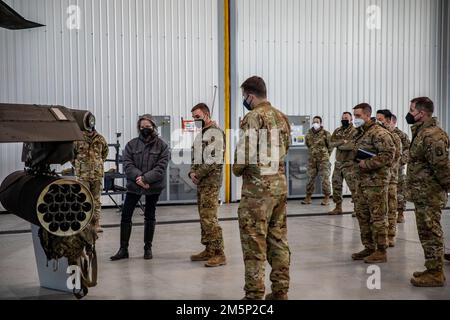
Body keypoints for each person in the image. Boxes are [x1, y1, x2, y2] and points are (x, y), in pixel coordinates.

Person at [233, 76, 291, 300]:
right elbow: (285, 148)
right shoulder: (281, 116)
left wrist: (236, 169)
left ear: (250, 95)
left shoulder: (253, 116)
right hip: (279, 185)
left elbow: (244, 154)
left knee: (254, 242)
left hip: (258, 192)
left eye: (244, 97)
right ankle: (280, 291)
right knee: (278, 239)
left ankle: (254, 295)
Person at [110, 114, 170, 261]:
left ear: (153, 127)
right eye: (142, 127)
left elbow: (160, 168)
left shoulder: (162, 146)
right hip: (134, 186)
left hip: (152, 186)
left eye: (148, 127)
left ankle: (147, 248)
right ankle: (123, 249)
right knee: (126, 215)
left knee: (150, 215)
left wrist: (145, 179)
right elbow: (128, 165)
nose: (145, 129)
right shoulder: (131, 145)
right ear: (139, 128)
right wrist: (139, 178)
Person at [406, 97, 449, 287]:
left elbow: (442, 167)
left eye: (411, 110)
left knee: (431, 232)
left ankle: (436, 273)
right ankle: (432, 267)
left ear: (421, 113)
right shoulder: (421, 133)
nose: (409, 113)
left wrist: (447, 188)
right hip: (422, 194)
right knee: (425, 232)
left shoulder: (433, 135)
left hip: (430, 194)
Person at [351, 103, 395, 263]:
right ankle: (369, 247)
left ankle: (381, 250)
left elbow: (389, 154)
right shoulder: (361, 133)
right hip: (362, 182)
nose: (355, 119)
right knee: (363, 215)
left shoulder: (379, 133)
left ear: (367, 116)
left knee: (378, 216)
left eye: (358, 116)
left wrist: (368, 164)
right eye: (354, 115)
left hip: (376, 182)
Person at [188, 103, 226, 268]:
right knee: (203, 216)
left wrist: (198, 174)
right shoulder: (201, 134)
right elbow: (195, 157)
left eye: (197, 117)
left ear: (206, 114)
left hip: (211, 182)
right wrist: (191, 172)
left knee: (210, 218)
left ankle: (219, 253)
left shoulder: (215, 133)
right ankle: (209, 249)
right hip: (201, 182)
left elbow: (213, 159)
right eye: (194, 118)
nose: (195, 120)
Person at [73, 125, 109, 233]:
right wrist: (79, 166)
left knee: (96, 200)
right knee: (82, 199)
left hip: (97, 175)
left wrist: (97, 164)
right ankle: (84, 224)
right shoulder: (78, 140)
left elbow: (105, 153)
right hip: (83, 175)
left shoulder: (101, 139)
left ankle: (96, 224)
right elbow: (72, 155)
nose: (89, 130)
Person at [376, 109, 402, 247]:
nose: (377, 121)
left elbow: (395, 157)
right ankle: (381, 236)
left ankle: (391, 235)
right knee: (380, 209)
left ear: (388, 120)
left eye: (380, 119)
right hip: (377, 179)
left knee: (391, 208)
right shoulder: (375, 135)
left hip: (390, 178)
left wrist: (377, 161)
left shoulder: (394, 136)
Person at [329, 112, 358, 215]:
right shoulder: (337, 131)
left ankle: (357, 209)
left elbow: (351, 146)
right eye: (343, 118)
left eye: (346, 118)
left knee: (354, 187)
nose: (344, 119)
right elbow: (331, 143)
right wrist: (342, 142)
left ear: (351, 119)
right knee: (336, 185)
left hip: (349, 164)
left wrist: (339, 145)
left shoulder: (355, 131)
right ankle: (338, 207)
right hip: (338, 163)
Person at [302, 116, 332, 205]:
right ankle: (308, 197)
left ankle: (326, 197)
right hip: (312, 160)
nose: (315, 123)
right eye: (314, 122)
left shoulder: (326, 133)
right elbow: (308, 145)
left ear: (320, 123)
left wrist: (326, 155)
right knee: (310, 179)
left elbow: (330, 146)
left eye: (317, 122)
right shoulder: (308, 134)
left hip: (323, 161)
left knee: (325, 179)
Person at [391, 114, 411, 223]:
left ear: (394, 122)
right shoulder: (383, 134)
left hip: (398, 168)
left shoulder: (401, 135)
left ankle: (401, 213)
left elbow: (409, 149)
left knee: (400, 191)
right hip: (387, 168)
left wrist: (401, 161)